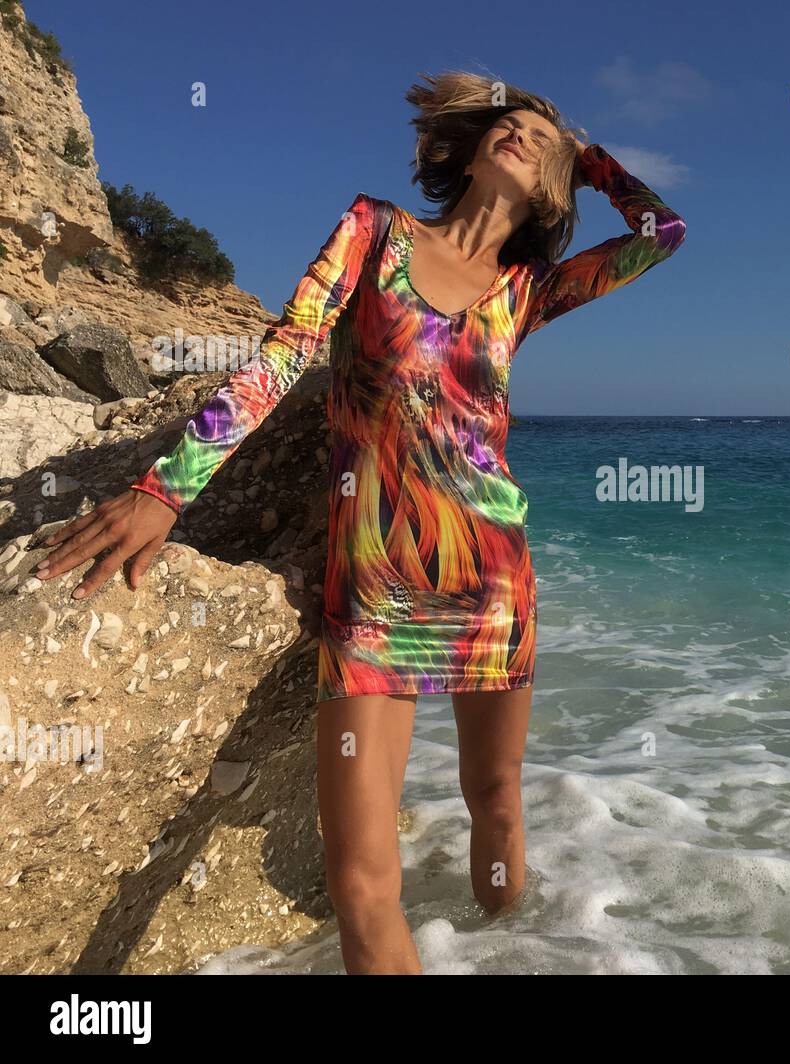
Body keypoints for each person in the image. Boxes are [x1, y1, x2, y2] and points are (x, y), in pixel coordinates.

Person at [32, 70, 686, 974]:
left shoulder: (530, 287)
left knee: (494, 799)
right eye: (511, 123)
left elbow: (663, 233)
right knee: (361, 881)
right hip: (373, 585)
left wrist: (588, 158)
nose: (522, 136)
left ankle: (517, 949)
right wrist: (164, 489)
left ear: (554, 188)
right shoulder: (373, 230)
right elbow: (279, 359)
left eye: (543, 140)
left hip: (492, 577)